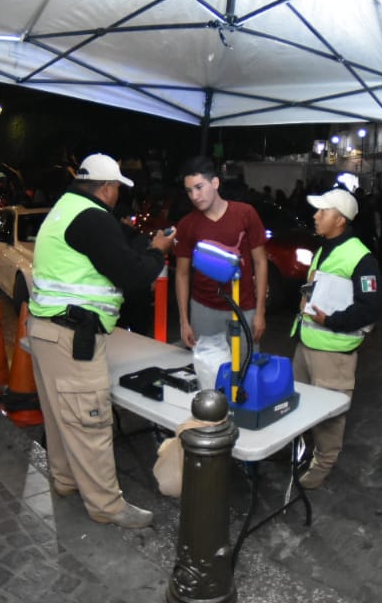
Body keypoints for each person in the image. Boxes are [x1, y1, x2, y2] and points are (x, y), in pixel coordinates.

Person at [27, 153, 176, 528]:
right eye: (117, 190)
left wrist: (143, 239)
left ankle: (64, 479)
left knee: (61, 416)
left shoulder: (65, 209)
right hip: (72, 338)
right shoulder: (92, 218)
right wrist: (158, 252)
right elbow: (132, 274)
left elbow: (119, 240)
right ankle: (106, 505)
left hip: (46, 332)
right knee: (90, 422)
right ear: (107, 188)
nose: (117, 197)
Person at [292, 187, 382, 490]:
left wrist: (331, 321)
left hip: (333, 353)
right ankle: (300, 452)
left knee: (329, 416)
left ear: (340, 219)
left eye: (323, 211)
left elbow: (372, 307)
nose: (316, 216)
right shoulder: (325, 248)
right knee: (299, 403)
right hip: (307, 343)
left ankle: (323, 464)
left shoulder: (361, 258)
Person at [173, 156, 268, 348]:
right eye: (189, 191)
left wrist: (260, 312)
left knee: (245, 364)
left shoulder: (245, 214)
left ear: (215, 183)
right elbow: (182, 274)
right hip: (203, 308)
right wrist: (184, 321)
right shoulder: (187, 224)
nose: (194, 196)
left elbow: (260, 262)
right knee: (207, 364)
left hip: (243, 307)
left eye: (199, 187)